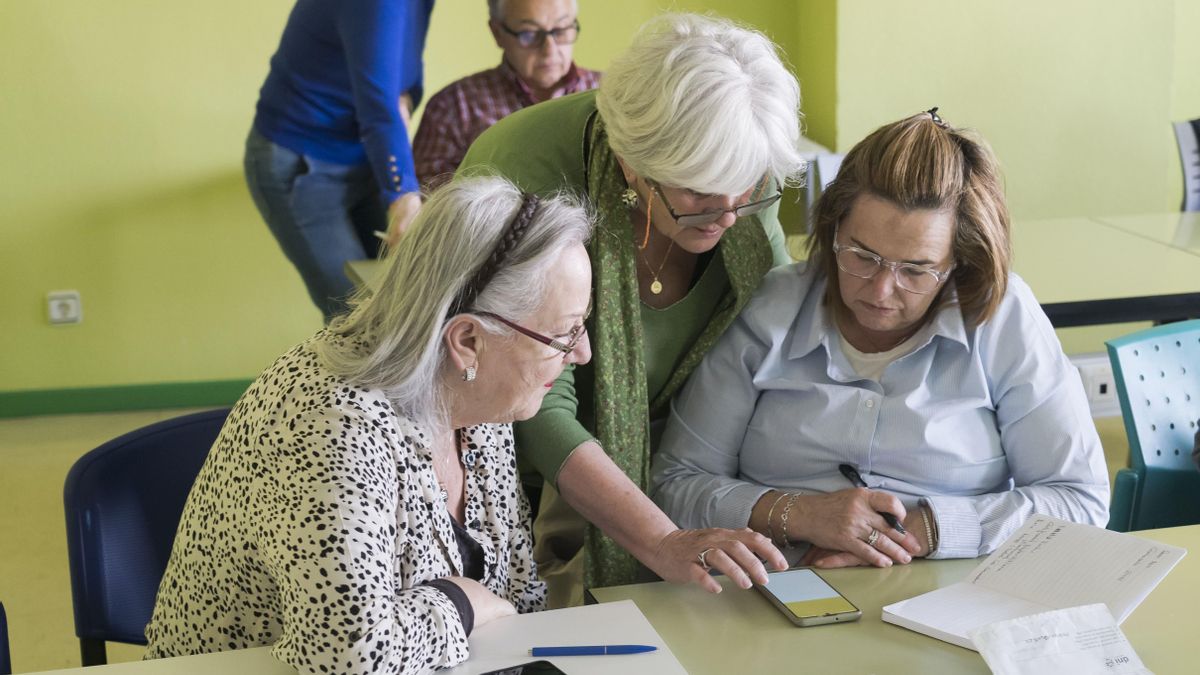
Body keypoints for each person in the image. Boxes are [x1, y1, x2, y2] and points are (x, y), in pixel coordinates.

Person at [145, 177, 592, 673]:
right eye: (563, 333)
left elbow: (516, 595)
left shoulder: (479, 398)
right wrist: (461, 603)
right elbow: (350, 653)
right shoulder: (332, 423)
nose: (582, 352)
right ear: (466, 340)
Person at [652, 109, 1111, 569]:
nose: (880, 291)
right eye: (862, 256)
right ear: (832, 228)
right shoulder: (771, 307)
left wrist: (923, 530)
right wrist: (798, 515)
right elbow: (674, 484)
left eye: (916, 270)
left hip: (948, 592)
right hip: (776, 585)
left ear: (960, 261)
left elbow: (1080, 501)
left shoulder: (1001, 315)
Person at [458, 13, 802, 606]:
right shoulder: (525, 174)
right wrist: (663, 539)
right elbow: (536, 401)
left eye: (744, 189)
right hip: (519, 488)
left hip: (680, 477)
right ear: (632, 165)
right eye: (696, 192)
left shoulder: (738, 173)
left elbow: (773, 347)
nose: (725, 217)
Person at [245, 0, 433, 322]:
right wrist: (403, 196)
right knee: (358, 324)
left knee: (407, 307)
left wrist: (405, 97)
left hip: (363, 156)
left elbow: (399, 76)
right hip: (301, 164)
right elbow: (379, 108)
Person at [412, 0, 600, 189]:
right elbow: (434, 206)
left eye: (560, 30)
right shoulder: (454, 106)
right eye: (530, 34)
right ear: (497, 32)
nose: (549, 49)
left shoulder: (608, 93)